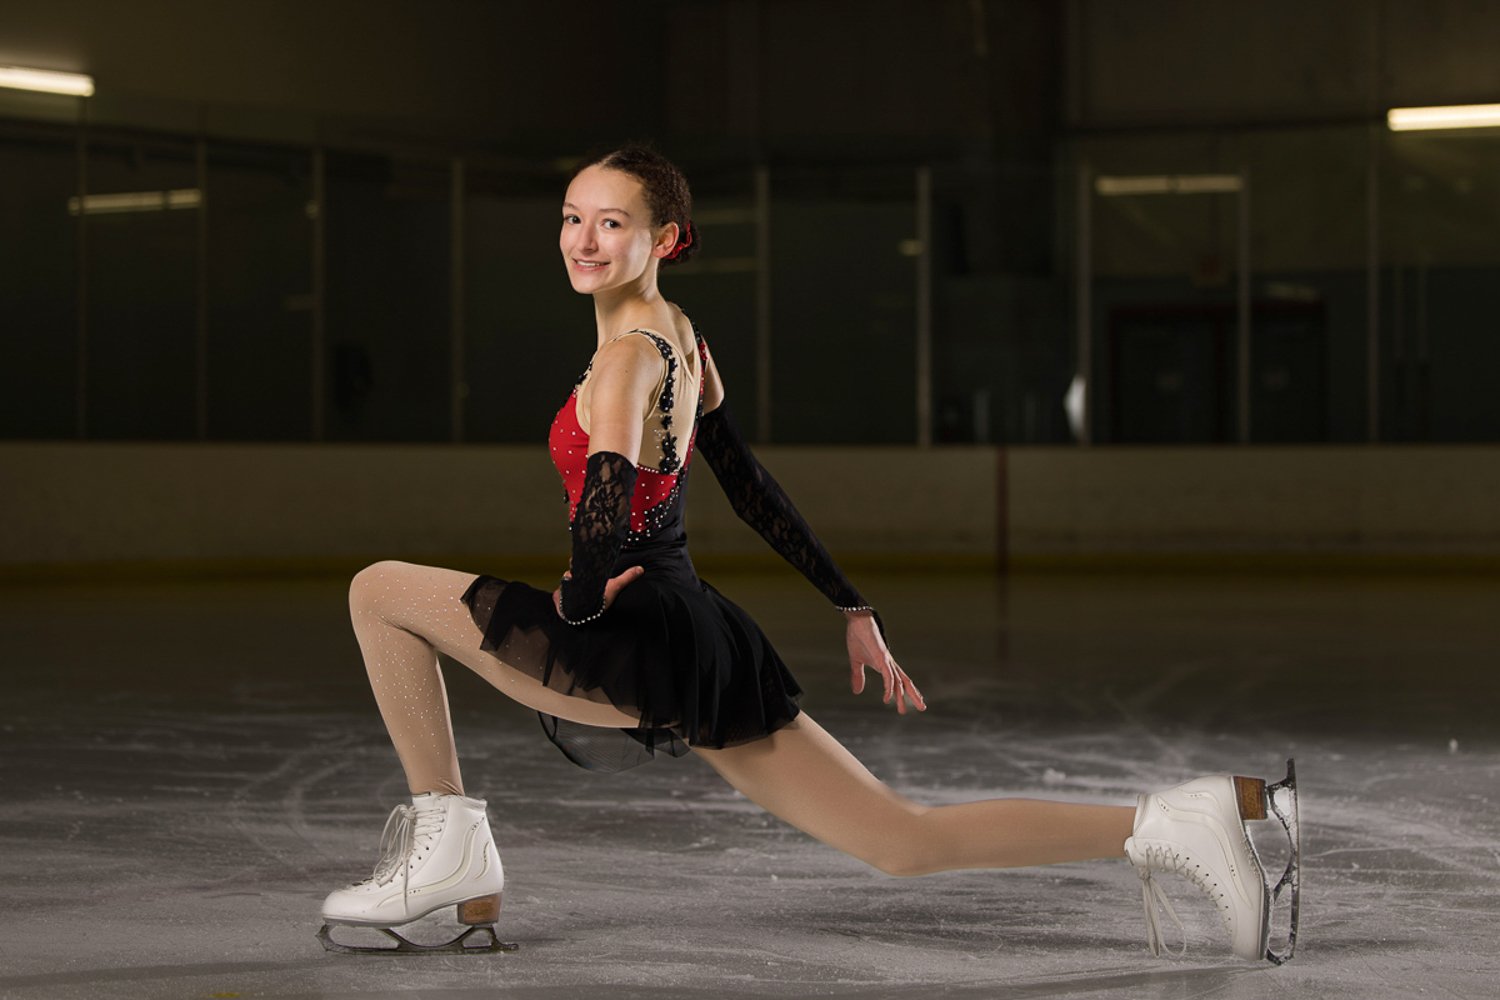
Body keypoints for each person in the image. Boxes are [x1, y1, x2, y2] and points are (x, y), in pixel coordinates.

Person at [316, 142, 1299, 963]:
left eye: (611, 222)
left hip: (639, 636)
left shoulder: (625, 359)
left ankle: (449, 845)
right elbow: (748, 486)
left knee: (378, 590)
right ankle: (1176, 817)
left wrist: (577, 601)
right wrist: (849, 602)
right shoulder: (681, 341)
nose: (583, 239)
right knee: (901, 839)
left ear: (666, 237)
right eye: (573, 217)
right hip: (696, 631)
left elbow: (606, 507)